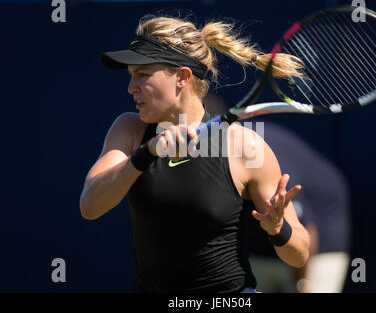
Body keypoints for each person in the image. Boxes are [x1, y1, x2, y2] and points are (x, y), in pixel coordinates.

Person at [79, 15, 310, 293]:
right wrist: (147, 152)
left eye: (142, 74)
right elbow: (90, 206)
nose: (131, 87)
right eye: (130, 75)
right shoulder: (129, 130)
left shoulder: (244, 146)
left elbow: (299, 253)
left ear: (182, 77)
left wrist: (277, 228)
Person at [204, 94, 351, 293]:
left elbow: (305, 231)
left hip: (318, 238)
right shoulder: (194, 157)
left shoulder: (254, 150)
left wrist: (302, 285)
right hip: (260, 245)